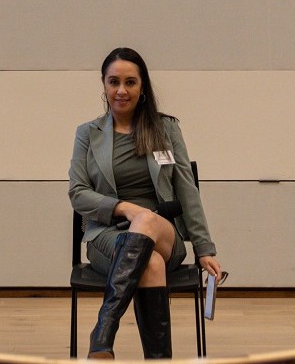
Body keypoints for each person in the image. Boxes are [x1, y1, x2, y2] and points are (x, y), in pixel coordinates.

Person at [69, 47, 224, 359]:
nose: (121, 90)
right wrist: (126, 208)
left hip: (163, 233)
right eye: (114, 82)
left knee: (148, 221)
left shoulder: (166, 129)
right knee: (150, 263)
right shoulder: (88, 133)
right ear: (104, 85)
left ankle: (104, 329)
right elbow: (78, 192)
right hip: (107, 235)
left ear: (142, 87)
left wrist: (204, 248)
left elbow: (186, 189)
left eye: (130, 82)